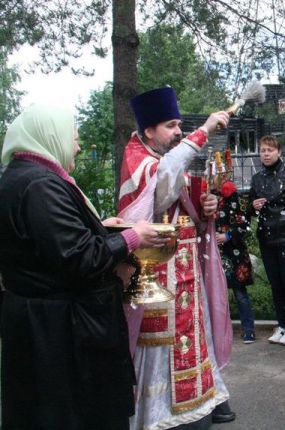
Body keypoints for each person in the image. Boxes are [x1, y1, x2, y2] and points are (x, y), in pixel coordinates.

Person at [0, 105, 167, 429]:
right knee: (74, 415)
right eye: (73, 138)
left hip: (41, 323)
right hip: (62, 333)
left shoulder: (22, 178)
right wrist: (132, 237)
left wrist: (98, 228)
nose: (77, 146)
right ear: (51, 137)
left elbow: (46, 246)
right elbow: (79, 259)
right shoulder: (41, 186)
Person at [118, 87, 235, 428]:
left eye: (180, 125)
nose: (178, 131)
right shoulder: (138, 161)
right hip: (155, 275)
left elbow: (185, 205)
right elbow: (164, 184)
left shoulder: (161, 161)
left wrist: (207, 206)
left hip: (185, 274)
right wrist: (206, 129)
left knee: (192, 336)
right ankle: (160, 417)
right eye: (171, 125)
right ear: (149, 130)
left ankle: (199, 401)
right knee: (160, 345)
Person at [248, 135, 285, 346]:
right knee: (275, 284)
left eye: (270, 150)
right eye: (263, 150)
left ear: (279, 152)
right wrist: (252, 206)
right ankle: (281, 324)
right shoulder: (257, 179)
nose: (266, 154)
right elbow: (249, 209)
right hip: (266, 237)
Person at [213, 178, 256, 344]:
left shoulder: (236, 198)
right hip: (214, 252)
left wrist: (227, 236)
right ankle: (220, 330)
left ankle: (248, 329)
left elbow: (244, 223)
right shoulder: (206, 197)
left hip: (234, 253)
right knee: (216, 294)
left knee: (240, 294)